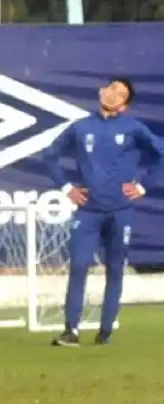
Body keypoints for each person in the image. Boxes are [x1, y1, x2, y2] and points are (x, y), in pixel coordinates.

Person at [42, 77, 164, 347]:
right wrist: (66, 187)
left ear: (124, 106)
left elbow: (161, 154)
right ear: (100, 91)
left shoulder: (133, 129)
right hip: (88, 211)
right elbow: (49, 154)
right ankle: (70, 331)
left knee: (115, 269)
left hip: (121, 212)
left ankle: (105, 331)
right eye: (110, 88)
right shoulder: (81, 127)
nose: (112, 94)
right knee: (78, 265)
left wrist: (143, 186)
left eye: (119, 93)